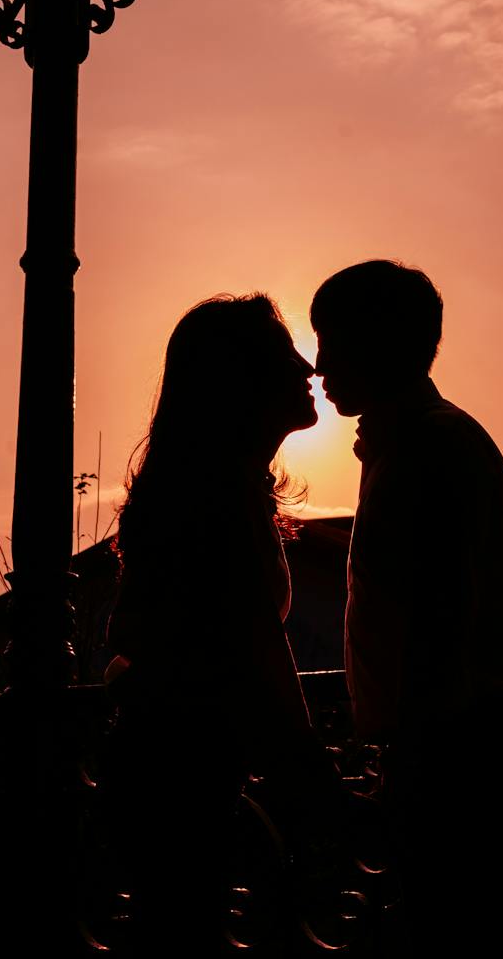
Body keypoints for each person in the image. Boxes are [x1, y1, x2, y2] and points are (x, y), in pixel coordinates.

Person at [310, 259, 503, 954]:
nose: (320, 363)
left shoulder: (427, 448)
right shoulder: (419, 441)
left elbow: (437, 622)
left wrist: (409, 762)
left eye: (333, 340)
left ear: (383, 342)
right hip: (462, 748)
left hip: (462, 758)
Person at [102, 293, 343, 956]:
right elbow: (256, 647)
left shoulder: (215, 495)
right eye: (284, 352)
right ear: (241, 380)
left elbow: (131, 639)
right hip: (181, 774)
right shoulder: (217, 504)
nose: (307, 366)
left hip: (174, 766)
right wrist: (310, 770)